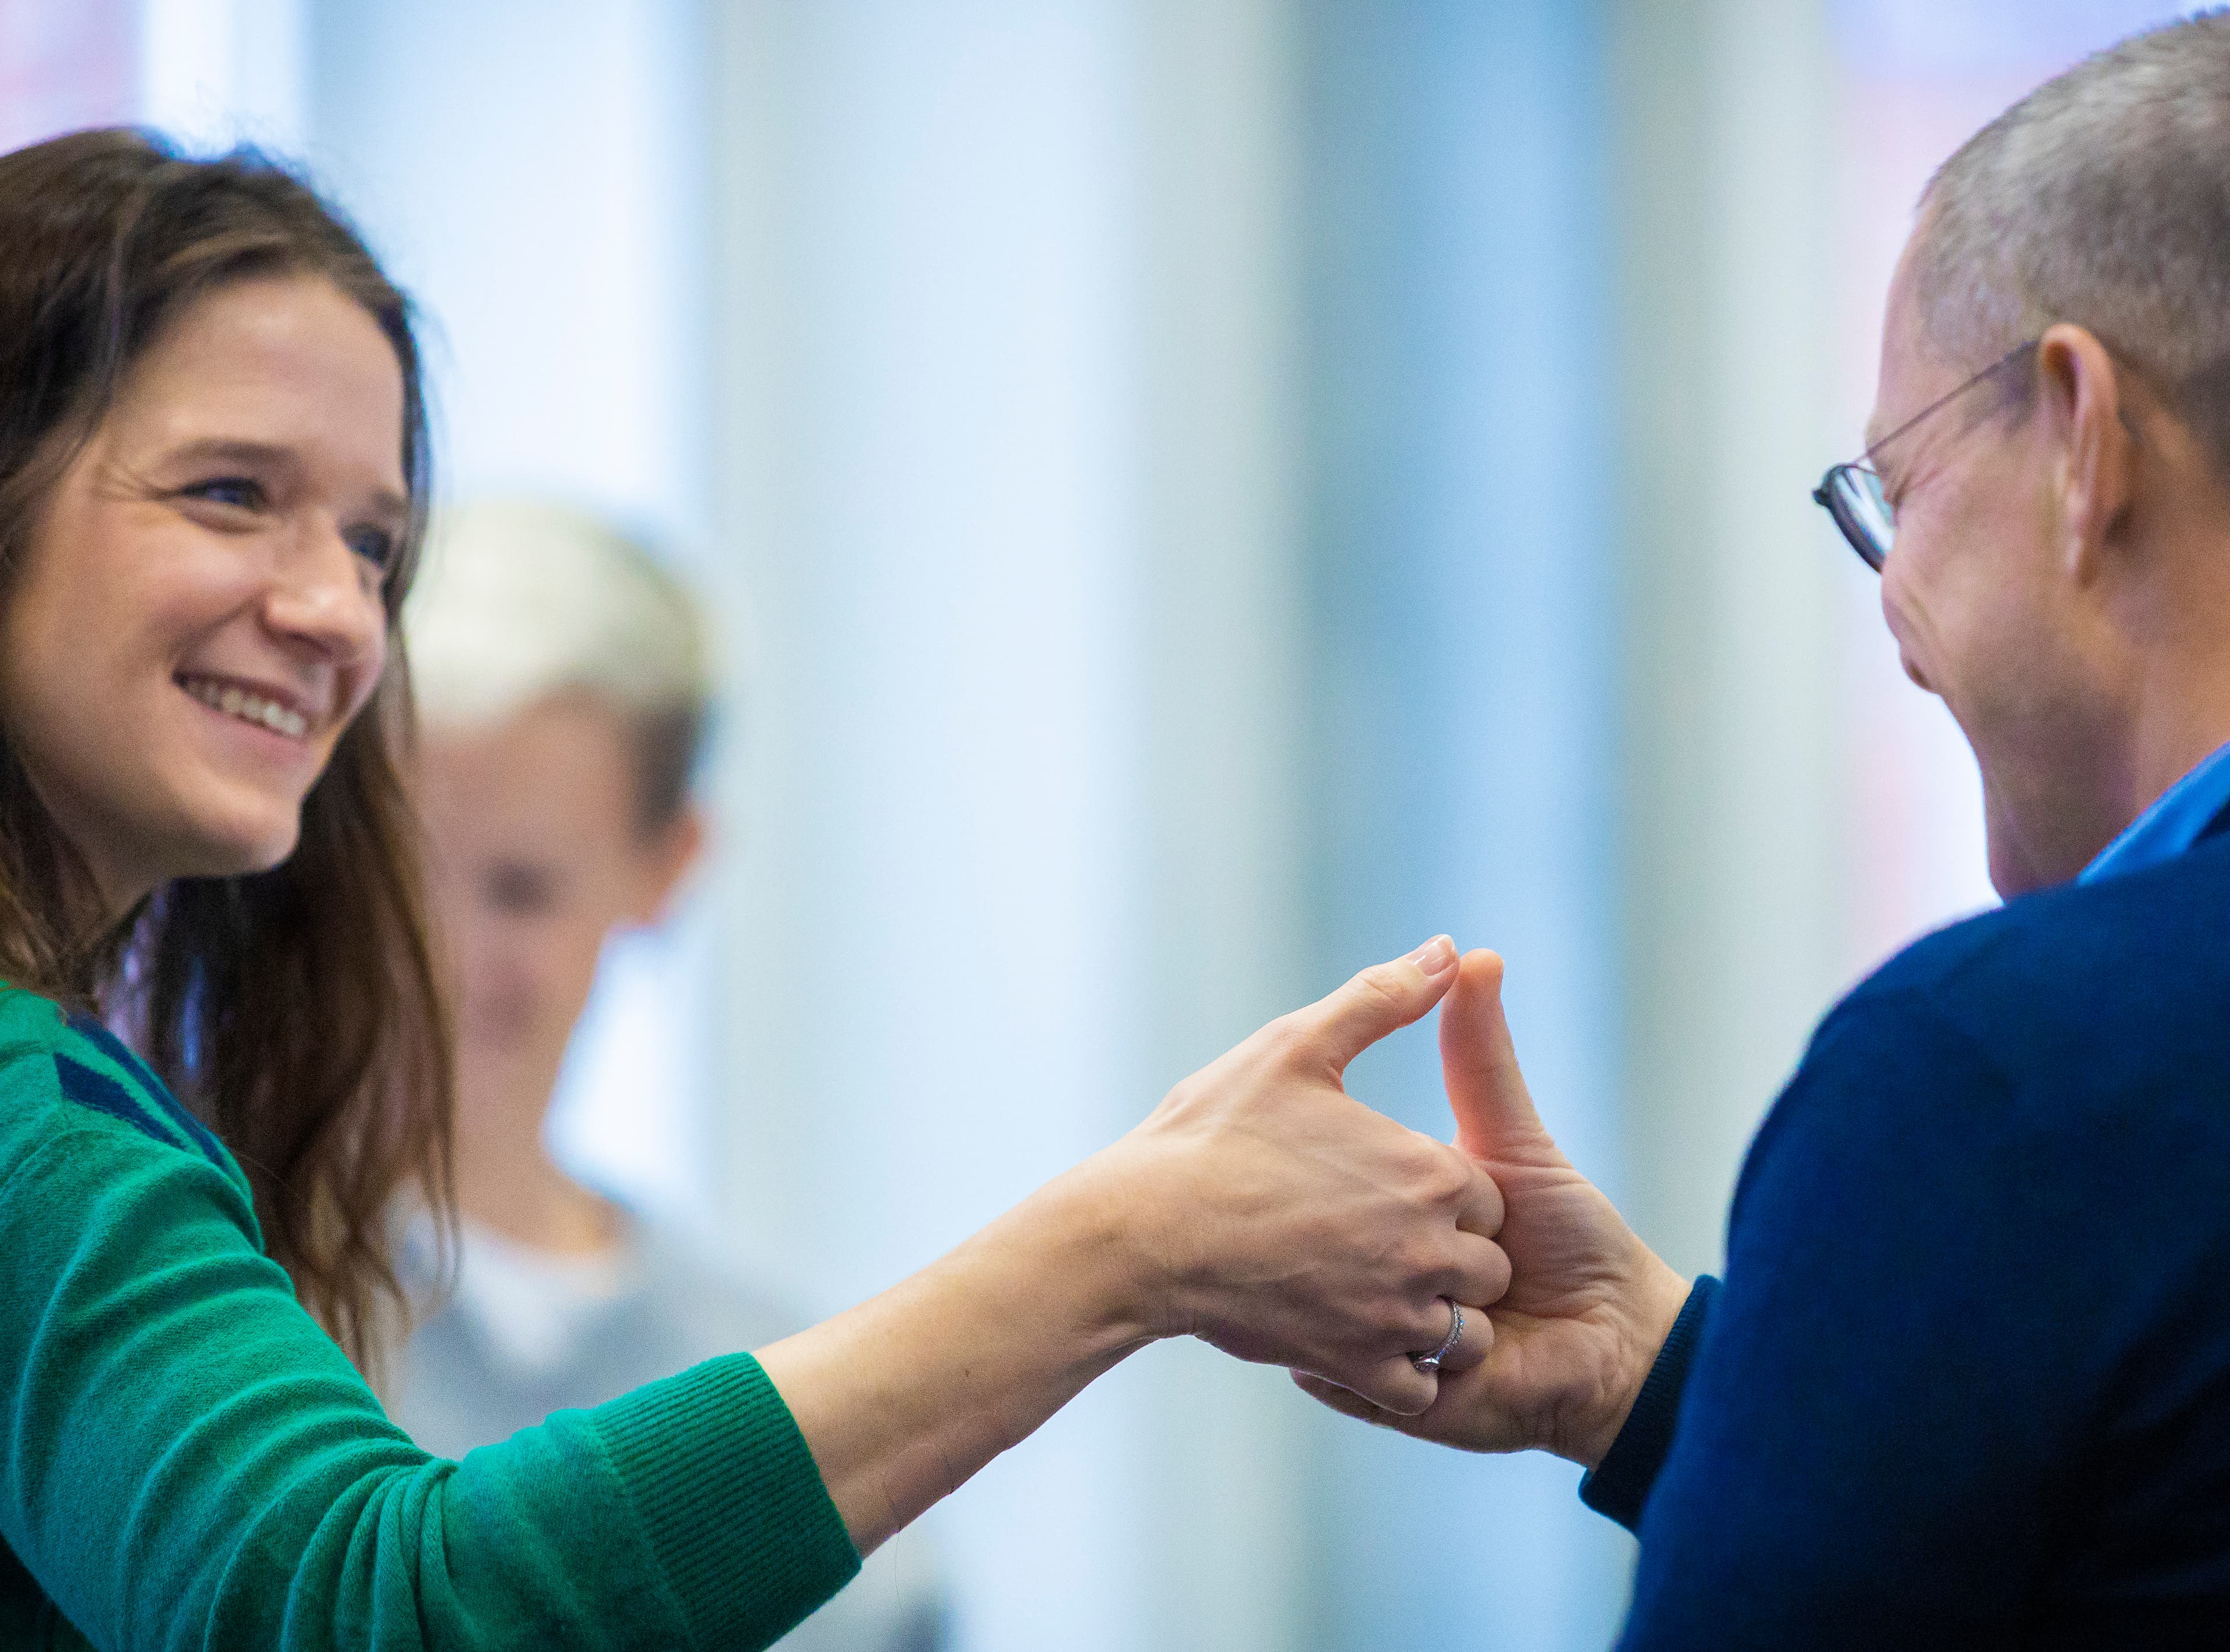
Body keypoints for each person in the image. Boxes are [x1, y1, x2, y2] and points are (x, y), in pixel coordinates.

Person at [0, 128, 1511, 1649]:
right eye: (227, 492)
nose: (334, 607)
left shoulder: (115, 1118)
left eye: (376, 541)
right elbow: (367, 1611)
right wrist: (1128, 1244)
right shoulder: (45, 1138)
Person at [1295, 14, 2230, 1647]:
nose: (1892, 603)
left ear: (2084, 438)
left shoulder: (1993, 1081)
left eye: (1902, 489)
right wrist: (1682, 1383)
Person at [387, 497, 947, 1651]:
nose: (434, 959)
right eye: (386, 877)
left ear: (669, 863)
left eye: (520, 889)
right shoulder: (203, 1314)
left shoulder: (805, 1395)